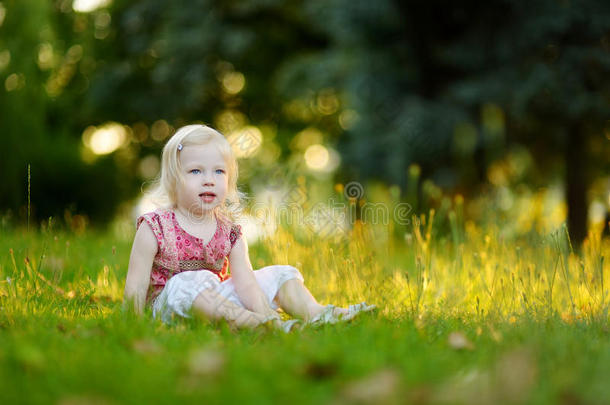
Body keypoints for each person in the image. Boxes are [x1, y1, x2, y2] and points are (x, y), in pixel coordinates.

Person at [123, 124, 375, 332]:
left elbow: (245, 283)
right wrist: (135, 327)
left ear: (230, 179)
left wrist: (265, 310)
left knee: (278, 274)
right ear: (173, 180)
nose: (209, 179)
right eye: (196, 171)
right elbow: (136, 285)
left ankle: (314, 314)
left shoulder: (229, 231)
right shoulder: (155, 226)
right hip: (169, 307)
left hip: (216, 301)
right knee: (188, 280)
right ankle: (248, 322)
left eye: (219, 171)